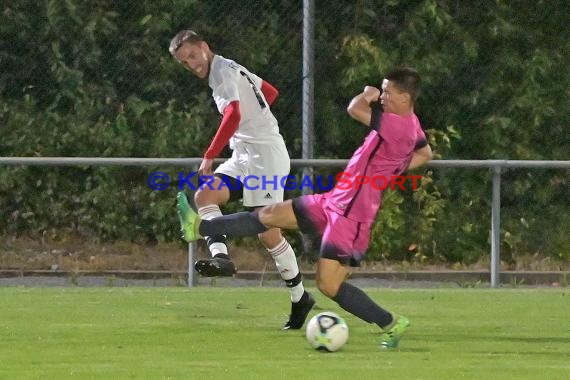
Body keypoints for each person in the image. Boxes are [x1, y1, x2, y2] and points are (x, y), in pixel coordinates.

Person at [177, 67, 433, 348]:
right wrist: (392, 170)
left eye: (388, 92)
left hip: (352, 215)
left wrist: (366, 94)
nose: (382, 95)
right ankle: (201, 226)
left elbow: (355, 109)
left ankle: (392, 324)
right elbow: (425, 152)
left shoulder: (398, 125)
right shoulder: (412, 123)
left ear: (405, 97)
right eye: (381, 90)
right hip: (336, 199)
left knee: (328, 285)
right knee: (269, 215)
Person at [169, 30, 315, 330]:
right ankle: (221, 258)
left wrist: (210, 154)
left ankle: (300, 298)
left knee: (267, 232)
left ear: (205, 47)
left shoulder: (222, 74)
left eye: (193, 56)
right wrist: (254, 121)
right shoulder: (229, 67)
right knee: (205, 196)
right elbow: (270, 93)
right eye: (185, 62)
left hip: (265, 157)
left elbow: (234, 114)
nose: (192, 64)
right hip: (243, 154)